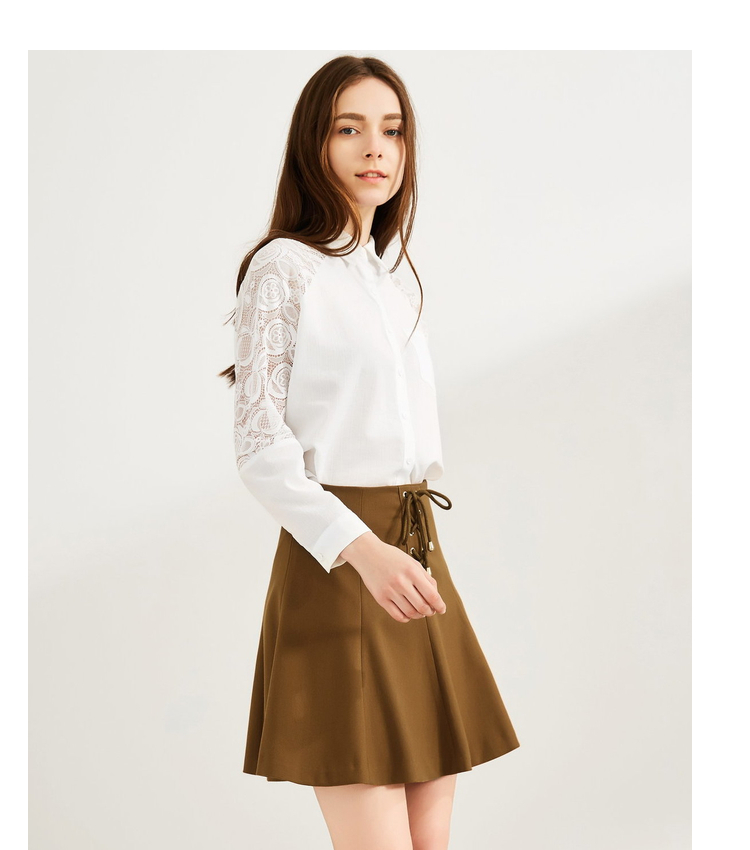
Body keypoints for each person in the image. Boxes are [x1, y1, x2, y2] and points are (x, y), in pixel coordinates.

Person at [219, 55, 520, 850]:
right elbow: (259, 446)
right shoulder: (284, 268)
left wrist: (398, 551)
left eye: (392, 130)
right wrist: (363, 550)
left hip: (416, 546)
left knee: (431, 836)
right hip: (343, 558)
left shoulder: (392, 279)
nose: (375, 147)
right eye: (348, 128)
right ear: (313, 143)